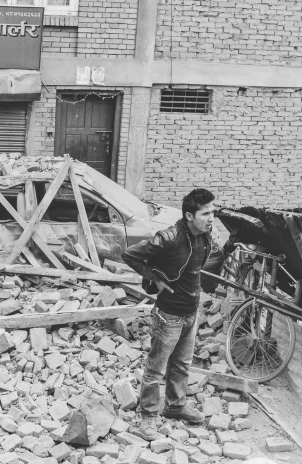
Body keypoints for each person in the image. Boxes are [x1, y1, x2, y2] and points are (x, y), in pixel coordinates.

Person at [121, 188, 220, 439]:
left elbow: (198, 268)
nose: (211, 218)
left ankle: (175, 407)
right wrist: (154, 277)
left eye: (213, 212)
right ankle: (148, 418)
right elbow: (130, 254)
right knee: (155, 370)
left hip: (191, 311)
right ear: (189, 215)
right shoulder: (169, 237)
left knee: (182, 364)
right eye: (206, 213)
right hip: (169, 314)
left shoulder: (204, 237)